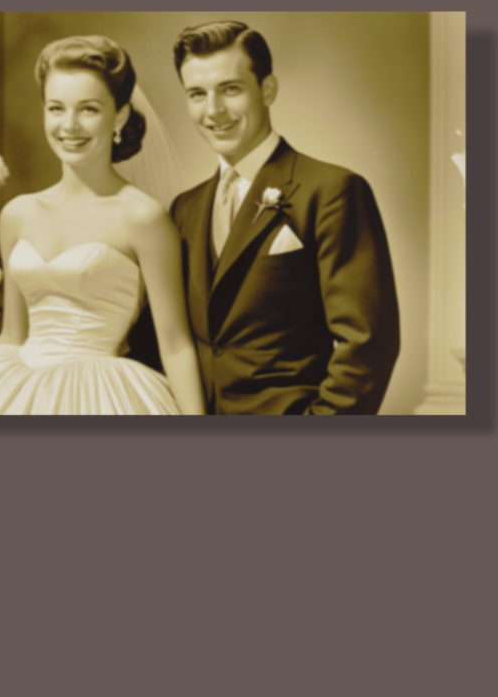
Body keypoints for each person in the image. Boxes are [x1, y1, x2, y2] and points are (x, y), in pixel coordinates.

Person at [0, 36, 206, 416]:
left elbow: (175, 344)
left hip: (102, 397)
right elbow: (13, 334)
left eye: (88, 109)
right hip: (19, 378)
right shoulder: (18, 213)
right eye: (56, 108)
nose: (69, 125)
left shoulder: (142, 217)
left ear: (119, 115)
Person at [169, 21, 400, 415]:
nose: (213, 111)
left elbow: (367, 343)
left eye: (230, 89)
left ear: (268, 90)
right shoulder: (184, 209)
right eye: (196, 94)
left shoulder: (332, 190)